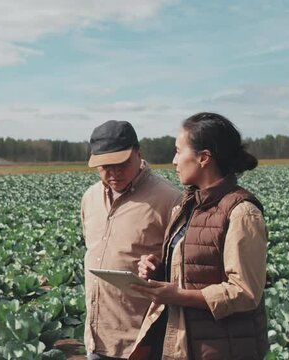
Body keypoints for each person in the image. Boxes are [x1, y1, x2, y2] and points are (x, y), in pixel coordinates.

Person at [129, 112, 269, 360]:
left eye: (178, 151)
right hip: (181, 340)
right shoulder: (186, 205)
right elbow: (196, 267)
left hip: (218, 349)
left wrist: (178, 296)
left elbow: (245, 293)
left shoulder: (242, 212)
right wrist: (157, 269)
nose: (174, 161)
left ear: (204, 158)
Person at [81, 120, 181, 359]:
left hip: (141, 340)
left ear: (139, 153)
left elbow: (184, 267)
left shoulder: (169, 199)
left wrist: (159, 267)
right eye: (105, 166)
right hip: (96, 336)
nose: (114, 172)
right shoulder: (90, 198)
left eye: (122, 163)